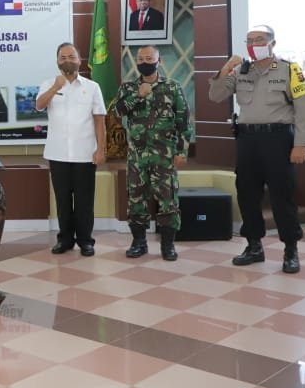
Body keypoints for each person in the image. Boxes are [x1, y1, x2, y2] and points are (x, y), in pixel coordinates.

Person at [208, 24, 305, 274]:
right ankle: (254, 246)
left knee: (282, 196)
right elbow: (215, 95)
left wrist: (301, 144)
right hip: (248, 140)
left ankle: (290, 250)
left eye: (259, 39)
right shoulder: (240, 71)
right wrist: (225, 68)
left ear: (272, 43)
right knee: (247, 193)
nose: (253, 44)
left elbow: (303, 109)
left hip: (279, 139)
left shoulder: (289, 70)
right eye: (249, 40)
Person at [113, 45, 192, 261]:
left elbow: (184, 121)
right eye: (141, 59)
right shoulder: (128, 87)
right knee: (136, 200)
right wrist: (138, 95)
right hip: (137, 157)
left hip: (164, 157)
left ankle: (168, 245)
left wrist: (182, 150)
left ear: (159, 61)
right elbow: (117, 112)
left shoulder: (172, 87)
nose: (144, 62)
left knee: (168, 201)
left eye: (149, 58)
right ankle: (139, 242)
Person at [36, 42, 106, 257]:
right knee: (62, 200)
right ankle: (65, 239)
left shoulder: (92, 87)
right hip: (57, 154)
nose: (67, 60)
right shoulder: (48, 84)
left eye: (71, 56)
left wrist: (101, 149)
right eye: (63, 57)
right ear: (58, 61)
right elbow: (39, 105)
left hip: (85, 154)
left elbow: (99, 120)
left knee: (85, 201)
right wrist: (55, 88)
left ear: (79, 60)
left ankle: (86, 241)